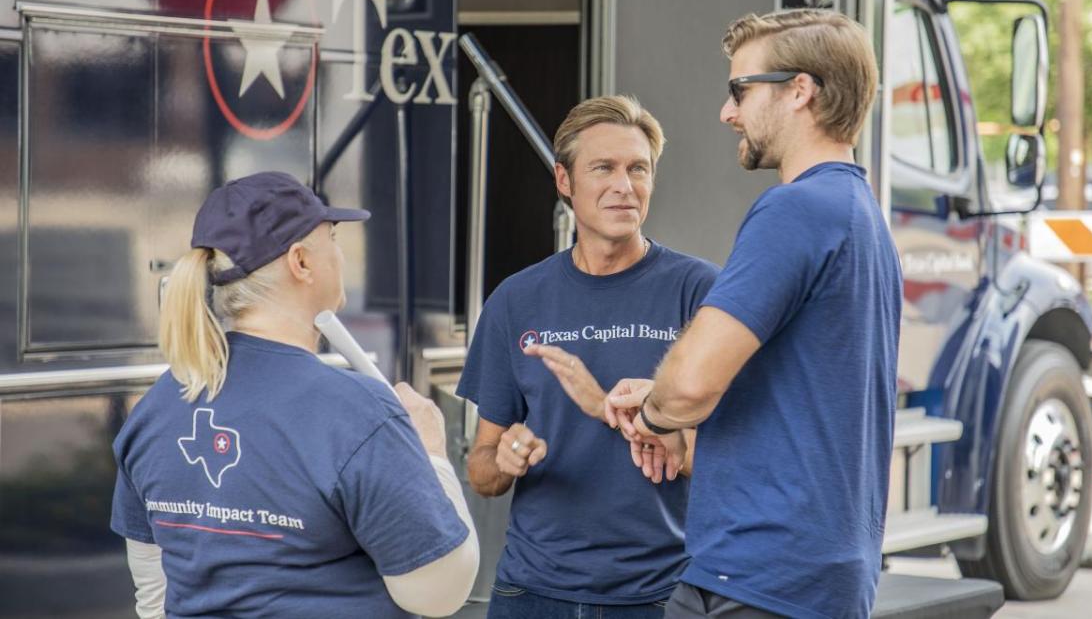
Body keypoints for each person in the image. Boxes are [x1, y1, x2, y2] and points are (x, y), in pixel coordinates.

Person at [607, 9, 903, 618]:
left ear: (801, 90)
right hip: (816, 571)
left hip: (759, 575)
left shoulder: (795, 210)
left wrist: (657, 413)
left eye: (741, 89)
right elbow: (795, 388)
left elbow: (689, 385)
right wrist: (671, 405)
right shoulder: (860, 215)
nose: (728, 111)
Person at [110, 171, 478, 618]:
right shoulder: (359, 415)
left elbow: (154, 595)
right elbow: (440, 591)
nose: (341, 256)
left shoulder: (155, 410)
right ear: (301, 262)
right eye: (334, 238)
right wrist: (433, 453)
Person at [458, 95, 720, 618]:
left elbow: (730, 460)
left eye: (638, 169)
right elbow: (481, 472)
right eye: (604, 167)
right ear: (564, 181)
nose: (625, 185)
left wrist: (635, 418)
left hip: (661, 593)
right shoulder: (516, 299)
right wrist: (505, 460)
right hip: (532, 593)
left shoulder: (698, 291)